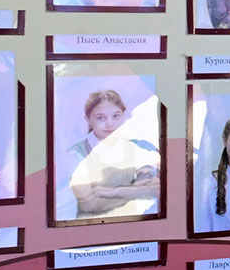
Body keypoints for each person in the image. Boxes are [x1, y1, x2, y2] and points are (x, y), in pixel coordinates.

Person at [59, 88, 160, 222]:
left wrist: (115, 192)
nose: (110, 124)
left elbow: (155, 189)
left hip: (132, 225)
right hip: (91, 228)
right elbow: (88, 204)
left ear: (123, 116)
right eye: (101, 118)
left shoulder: (134, 148)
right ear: (88, 119)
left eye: (116, 116)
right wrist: (136, 191)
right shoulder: (76, 154)